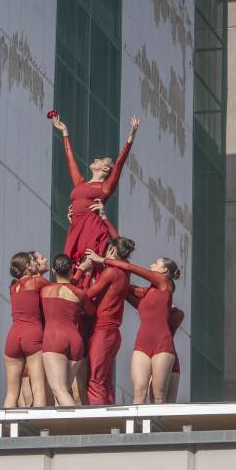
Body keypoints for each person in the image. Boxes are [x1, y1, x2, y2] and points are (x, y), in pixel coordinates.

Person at [86, 248, 180, 404]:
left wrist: (102, 259)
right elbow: (121, 286)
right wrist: (102, 272)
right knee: (138, 391)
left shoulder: (165, 284)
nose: (151, 264)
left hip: (162, 344)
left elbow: (130, 268)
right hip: (142, 344)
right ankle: (137, 428)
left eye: (155, 263)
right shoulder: (147, 292)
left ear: (163, 269)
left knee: (158, 394)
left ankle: (157, 428)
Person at [51, 113, 141, 266]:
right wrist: (64, 132)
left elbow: (119, 163)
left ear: (105, 168)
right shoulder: (81, 183)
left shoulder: (105, 187)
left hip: (91, 226)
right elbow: (70, 160)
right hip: (76, 225)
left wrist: (131, 136)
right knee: (70, 261)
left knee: (86, 260)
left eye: (100, 160)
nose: (95, 160)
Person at [78, 237, 135, 405]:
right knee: (105, 380)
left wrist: (86, 273)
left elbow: (86, 295)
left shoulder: (110, 273)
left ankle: (97, 423)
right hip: (113, 333)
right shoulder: (125, 273)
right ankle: (110, 418)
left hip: (103, 331)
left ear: (110, 250)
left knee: (96, 380)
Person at [3, 251, 48, 408]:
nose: (36, 263)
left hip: (13, 337)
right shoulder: (36, 282)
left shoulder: (13, 287)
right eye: (33, 262)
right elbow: (62, 288)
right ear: (28, 266)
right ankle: (40, 431)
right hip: (32, 334)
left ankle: (4, 430)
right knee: (39, 389)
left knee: (11, 393)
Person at [40, 254, 86, 406]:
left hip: (54, 338)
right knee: (64, 390)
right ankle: (64, 429)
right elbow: (90, 310)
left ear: (53, 270)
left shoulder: (45, 290)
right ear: (71, 270)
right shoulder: (80, 293)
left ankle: (76, 427)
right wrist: (82, 271)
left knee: (59, 390)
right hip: (75, 340)